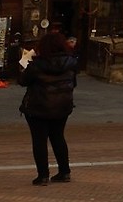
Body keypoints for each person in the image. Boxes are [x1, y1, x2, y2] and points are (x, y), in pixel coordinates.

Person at [18, 28, 79, 185]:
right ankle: (64, 171)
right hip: (62, 105)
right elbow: (74, 83)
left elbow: (23, 81)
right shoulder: (71, 63)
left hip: (39, 105)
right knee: (58, 137)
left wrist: (26, 63)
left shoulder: (37, 64)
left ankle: (43, 175)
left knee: (39, 140)